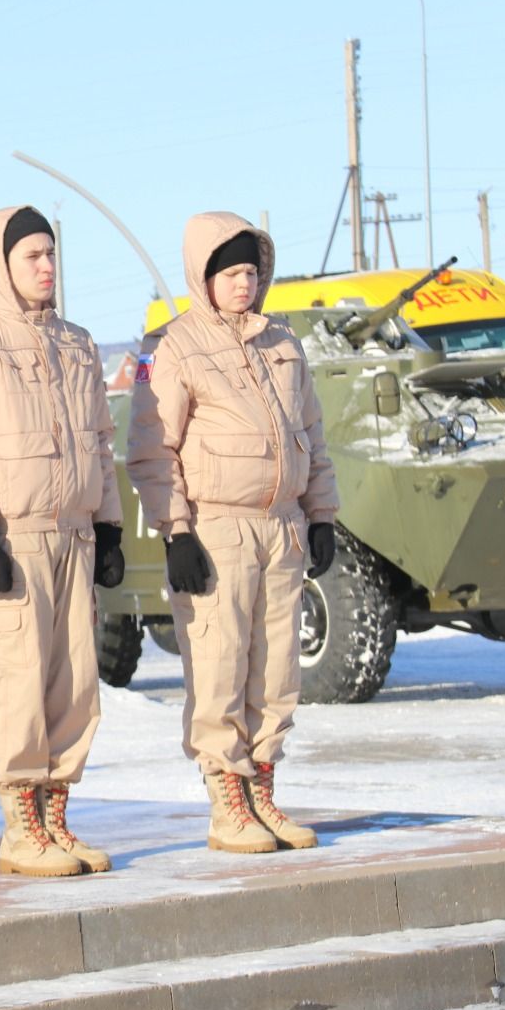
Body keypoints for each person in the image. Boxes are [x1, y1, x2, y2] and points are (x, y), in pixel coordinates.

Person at [126, 212, 338, 854]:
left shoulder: (282, 341)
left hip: (283, 527)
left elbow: (313, 436)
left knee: (276, 670)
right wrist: (177, 531)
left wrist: (322, 514)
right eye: (230, 272)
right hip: (217, 529)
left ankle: (263, 792)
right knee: (219, 666)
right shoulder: (177, 348)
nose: (244, 283)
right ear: (205, 277)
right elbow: (152, 451)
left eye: (251, 271)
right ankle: (227, 802)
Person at [0, 205, 124, 878]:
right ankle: (20, 829)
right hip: (18, 542)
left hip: (73, 536)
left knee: (75, 684)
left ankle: (55, 819)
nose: (46, 267)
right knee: (21, 682)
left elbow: (101, 441)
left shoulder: (78, 342)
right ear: (0, 267)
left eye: (50, 254)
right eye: (30, 257)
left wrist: (109, 525)